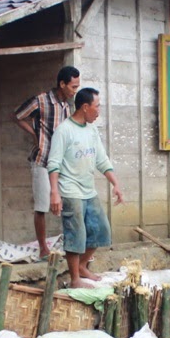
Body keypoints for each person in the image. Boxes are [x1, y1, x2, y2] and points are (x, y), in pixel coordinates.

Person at [47, 88, 124, 288]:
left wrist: (115, 183)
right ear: (85, 107)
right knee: (76, 235)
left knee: (101, 230)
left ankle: (81, 266)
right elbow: (53, 163)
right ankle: (75, 280)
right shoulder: (64, 131)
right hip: (70, 190)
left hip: (88, 190)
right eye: (96, 106)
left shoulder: (91, 130)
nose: (98, 111)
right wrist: (54, 192)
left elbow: (101, 159)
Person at [14, 66, 81, 260]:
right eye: (73, 86)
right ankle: (43, 248)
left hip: (60, 163)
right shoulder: (41, 100)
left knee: (68, 203)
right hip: (42, 159)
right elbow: (17, 116)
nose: (74, 91)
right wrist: (34, 133)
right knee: (42, 206)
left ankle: (70, 245)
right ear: (62, 84)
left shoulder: (67, 107)